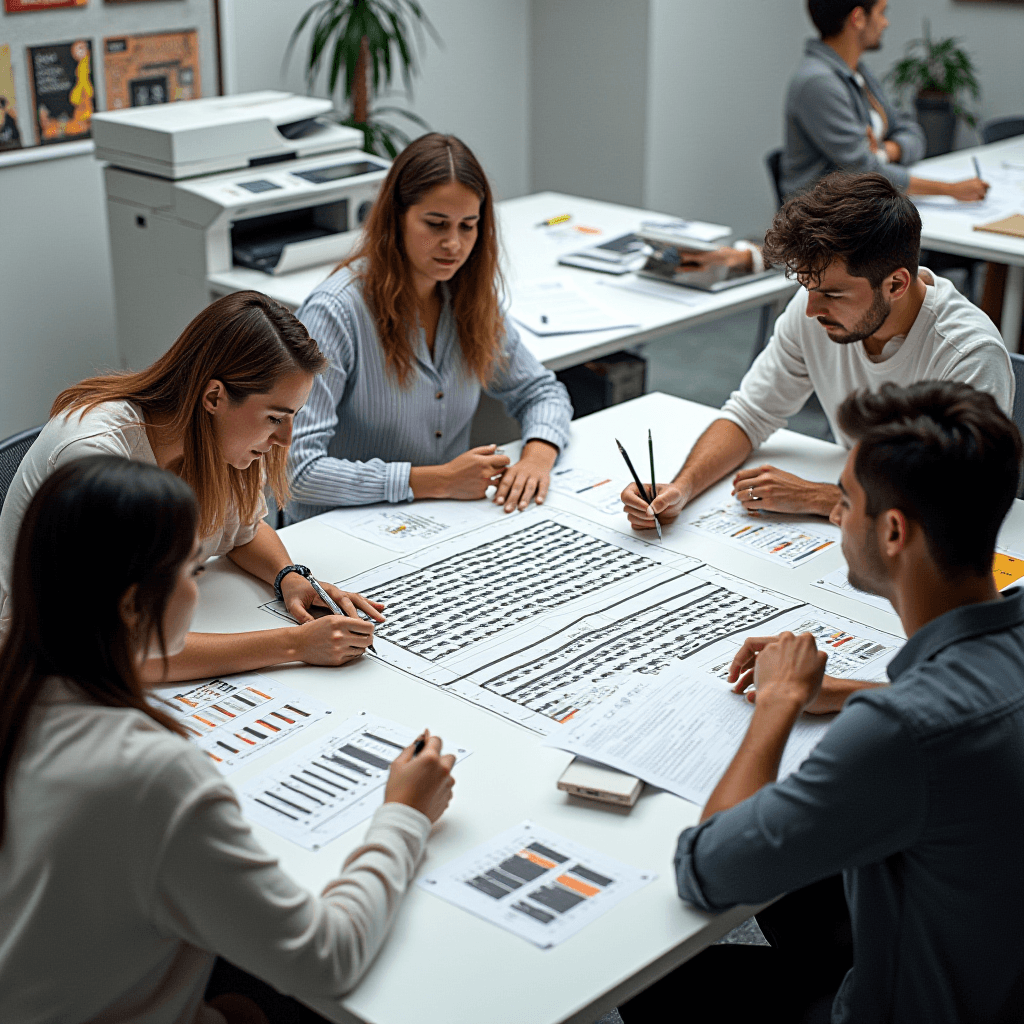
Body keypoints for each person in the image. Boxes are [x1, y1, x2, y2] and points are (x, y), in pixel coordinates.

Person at [620, 380, 1024, 1023]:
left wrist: (779, 701)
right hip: (990, 960)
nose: (835, 515)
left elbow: (707, 868)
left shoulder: (899, 732)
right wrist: (849, 691)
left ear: (893, 532)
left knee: (644, 971)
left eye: (845, 501)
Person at [0, 456, 456, 1024]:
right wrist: (404, 815)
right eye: (191, 573)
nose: (198, 594)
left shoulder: (20, 690)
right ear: (131, 606)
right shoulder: (147, 775)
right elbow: (326, 958)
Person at [0, 290, 385, 684]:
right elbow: (117, 647)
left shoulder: (213, 441)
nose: (286, 440)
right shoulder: (94, 457)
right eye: (274, 418)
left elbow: (242, 533)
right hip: (44, 674)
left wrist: (291, 577)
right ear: (214, 396)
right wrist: (295, 644)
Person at [621, 172, 1013, 530]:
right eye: (809, 288)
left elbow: (961, 499)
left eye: (832, 294)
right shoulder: (814, 309)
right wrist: (682, 487)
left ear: (895, 284)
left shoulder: (968, 352)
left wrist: (820, 498)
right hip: (866, 515)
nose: (811, 310)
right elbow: (749, 414)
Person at [287, 132, 572, 521]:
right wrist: (437, 480)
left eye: (468, 226)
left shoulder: (468, 298)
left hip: (433, 520)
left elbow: (542, 391)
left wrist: (537, 457)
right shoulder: (335, 312)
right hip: (339, 527)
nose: (453, 244)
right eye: (436, 224)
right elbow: (296, 471)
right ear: (396, 219)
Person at [685, 0, 987, 278]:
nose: (886, 23)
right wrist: (950, 190)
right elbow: (866, 172)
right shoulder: (818, 83)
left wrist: (884, 151)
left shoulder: (856, 73)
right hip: (830, 227)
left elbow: (911, 132)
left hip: (862, 212)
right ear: (858, 18)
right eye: (881, 12)